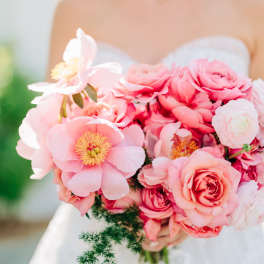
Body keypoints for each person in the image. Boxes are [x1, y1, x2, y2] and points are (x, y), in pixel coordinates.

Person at [31, 0, 264, 263]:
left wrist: (196, 210)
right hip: (102, 231)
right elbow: (53, 128)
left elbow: (260, 135)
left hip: (221, 237)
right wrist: (119, 200)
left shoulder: (251, 8)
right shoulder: (75, 9)